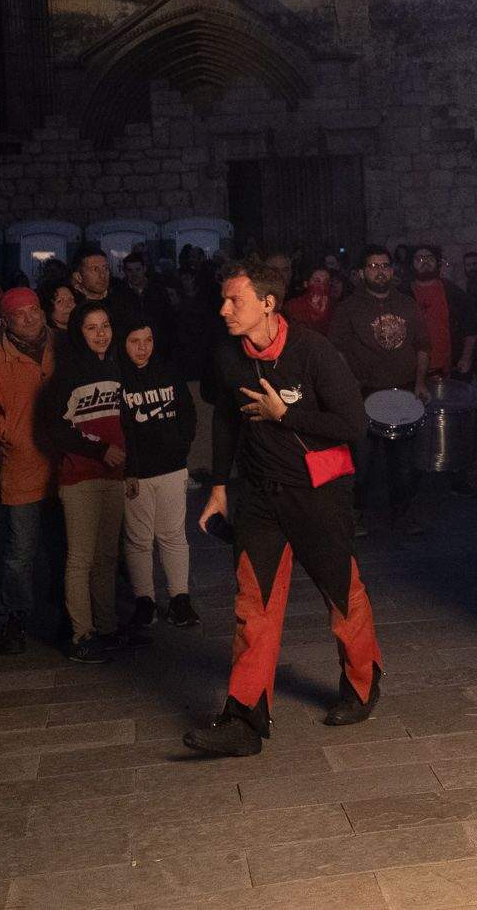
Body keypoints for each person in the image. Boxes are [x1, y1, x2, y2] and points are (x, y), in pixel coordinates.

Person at [183, 263, 381, 757]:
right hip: (258, 497)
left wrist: (285, 414)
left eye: (235, 301)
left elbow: (353, 423)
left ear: (268, 304)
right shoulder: (228, 355)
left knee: (341, 594)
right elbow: (227, 421)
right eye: (224, 300)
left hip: (317, 494)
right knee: (254, 607)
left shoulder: (314, 351)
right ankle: (244, 720)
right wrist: (219, 486)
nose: (224, 309)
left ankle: (362, 682)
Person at [38, 301, 130, 664]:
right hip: (80, 476)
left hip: (115, 475)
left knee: (108, 555)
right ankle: (82, 634)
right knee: (81, 558)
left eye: (105, 325)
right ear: (78, 332)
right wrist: (98, 449)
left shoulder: (119, 366)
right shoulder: (67, 374)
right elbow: (54, 428)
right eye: (91, 327)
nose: (101, 333)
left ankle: (106, 627)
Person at [0, 287, 56, 655]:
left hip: (66, 465)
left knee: (65, 544)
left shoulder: (64, 347)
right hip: (21, 467)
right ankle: (15, 617)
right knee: (20, 550)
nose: (30, 318)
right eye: (20, 314)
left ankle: (69, 614)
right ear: (4, 322)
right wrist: (11, 434)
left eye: (35, 310)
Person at [333, 246, 428, 533]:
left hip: (403, 393)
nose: (380, 271)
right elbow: (336, 350)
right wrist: (349, 385)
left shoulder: (407, 304)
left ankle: (403, 514)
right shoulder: (348, 307)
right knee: (361, 462)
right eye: (373, 266)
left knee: (404, 464)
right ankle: (355, 512)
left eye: (384, 265)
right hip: (364, 394)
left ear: (392, 269)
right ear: (362, 272)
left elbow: (423, 346)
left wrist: (420, 382)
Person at [119, 319, 199, 634]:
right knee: (138, 538)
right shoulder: (119, 378)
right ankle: (144, 600)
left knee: (173, 534)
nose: (142, 348)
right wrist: (129, 469)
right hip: (137, 472)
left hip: (171, 466)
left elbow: (187, 411)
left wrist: (180, 447)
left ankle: (180, 597)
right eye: (134, 341)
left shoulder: (167, 370)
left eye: (147, 340)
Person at [410, 244, 476, 382]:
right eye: (419, 259)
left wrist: (465, 357)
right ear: (411, 263)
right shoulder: (403, 294)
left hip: (449, 369)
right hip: (412, 370)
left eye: (429, 258)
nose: (425, 262)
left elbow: (470, 327)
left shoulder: (454, 293)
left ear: (437, 262)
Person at [285, 263, 335, 336]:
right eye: (317, 281)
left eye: (326, 282)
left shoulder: (336, 307)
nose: (322, 286)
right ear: (306, 284)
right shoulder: (292, 306)